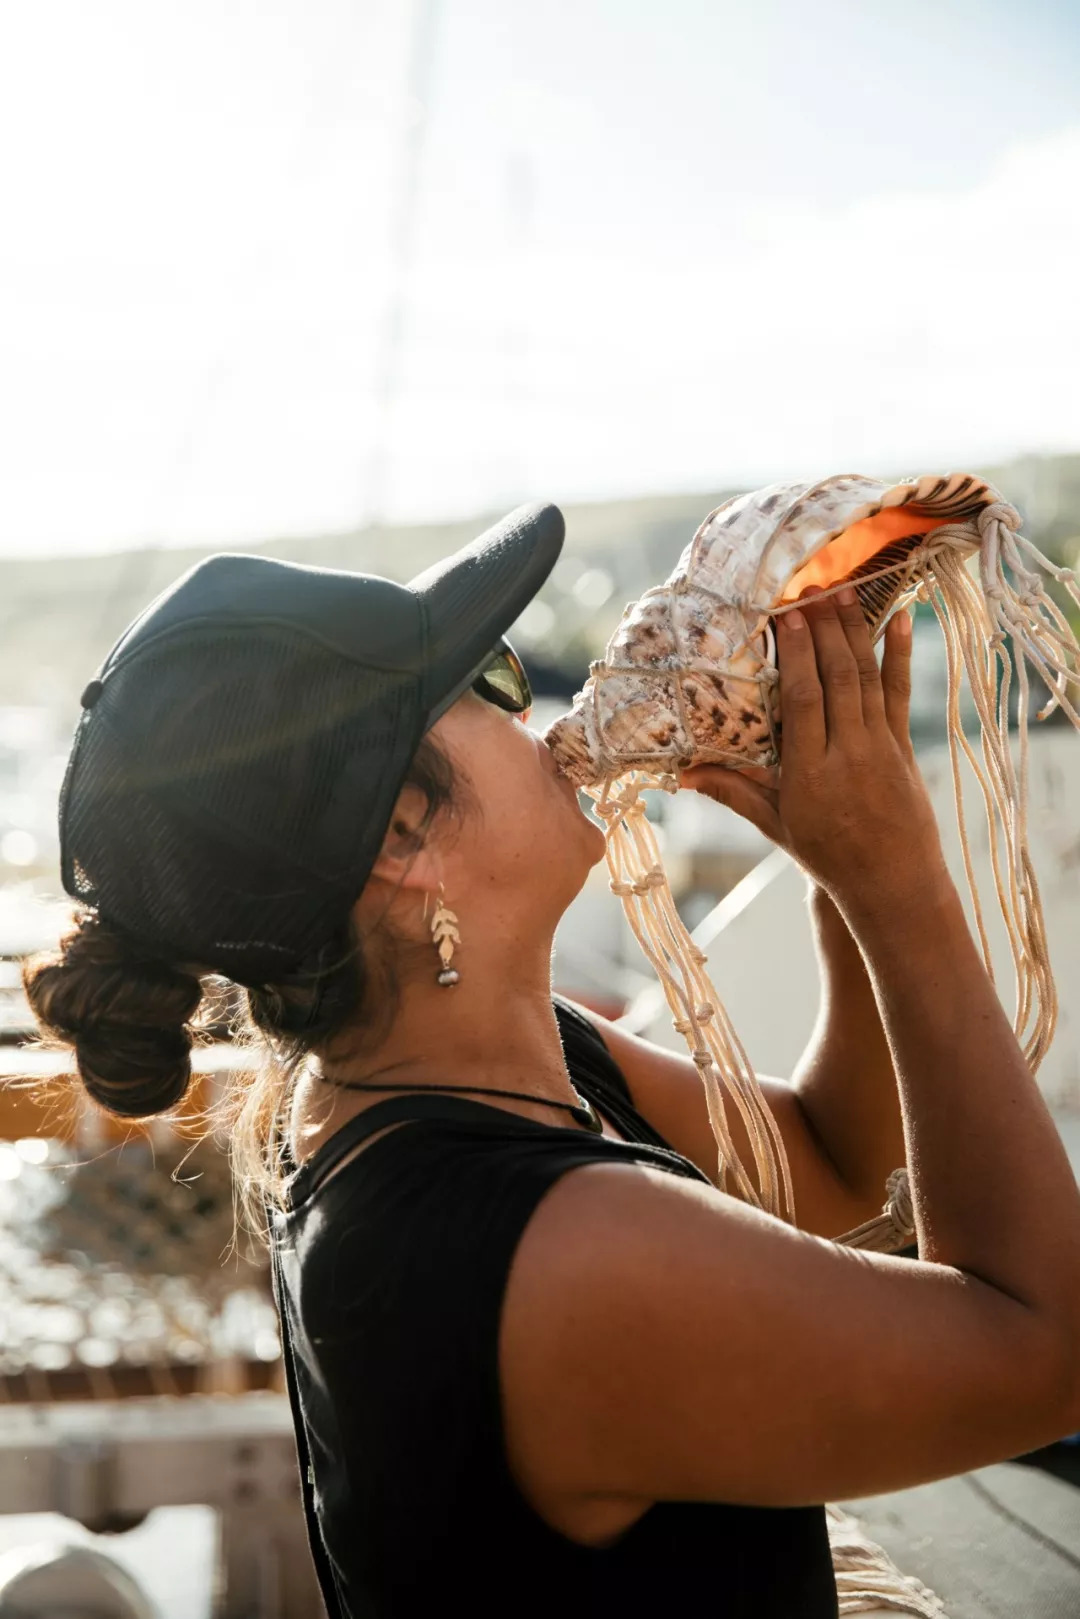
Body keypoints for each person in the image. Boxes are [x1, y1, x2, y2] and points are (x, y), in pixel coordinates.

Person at [25, 503, 1080, 1619]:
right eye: (492, 678)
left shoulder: (451, 1076)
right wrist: (898, 881)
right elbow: (1046, 1351)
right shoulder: (557, 1244)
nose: (546, 710)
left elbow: (834, 1168)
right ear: (401, 839)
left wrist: (835, 867)